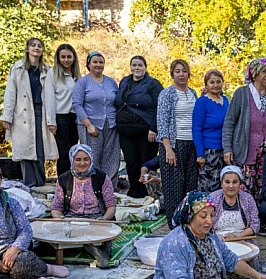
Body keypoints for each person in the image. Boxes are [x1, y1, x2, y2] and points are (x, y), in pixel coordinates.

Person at [222, 57, 266, 205]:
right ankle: (244, 219)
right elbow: (229, 122)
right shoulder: (242, 94)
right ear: (255, 73)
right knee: (244, 188)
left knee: (264, 188)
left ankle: (258, 220)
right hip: (245, 151)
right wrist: (227, 148)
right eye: (264, 71)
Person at [1, 37, 59, 187]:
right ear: (27, 49)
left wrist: (51, 120)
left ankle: (40, 184)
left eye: (39, 46)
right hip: (22, 113)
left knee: (40, 151)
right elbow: (10, 93)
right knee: (25, 152)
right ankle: (29, 185)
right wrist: (7, 115)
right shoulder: (18, 68)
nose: (36, 48)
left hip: (40, 111)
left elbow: (51, 96)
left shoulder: (47, 70)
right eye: (33, 45)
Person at [51, 144, 117, 268]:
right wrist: (59, 217)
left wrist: (103, 219)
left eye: (86, 159)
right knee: (53, 232)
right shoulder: (64, 179)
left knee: (105, 233)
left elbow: (111, 207)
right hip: (72, 219)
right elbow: (56, 208)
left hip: (96, 219)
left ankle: (100, 252)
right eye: (78, 159)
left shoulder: (101, 177)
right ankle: (88, 245)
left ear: (91, 159)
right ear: (72, 160)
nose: (82, 163)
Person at [115, 55, 164, 198]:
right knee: (131, 162)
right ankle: (134, 192)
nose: (137, 68)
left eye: (140, 65)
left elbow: (159, 107)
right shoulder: (124, 82)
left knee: (145, 162)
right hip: (125, 131)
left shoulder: (153, 84)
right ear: (130, 67)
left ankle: (148, 193)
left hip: (146, 131)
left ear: (145, 67)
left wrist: (154, 128)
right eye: (134, 65)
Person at [158, 59, 199, 227]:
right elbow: (162, 122)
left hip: (192, 144)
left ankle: (187, 221)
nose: (181, 74)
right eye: (177, 71)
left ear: (188, 73)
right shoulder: (167, 94)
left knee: (190, 185)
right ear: (172, 74)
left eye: (184, 71)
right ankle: (174, 224)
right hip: (174, 144)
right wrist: (168, 149)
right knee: (174, 187)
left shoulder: (193, 93)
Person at [72, 51, 121, 183]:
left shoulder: (111, 82)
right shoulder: (83, 82)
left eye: (101, 62)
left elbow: (117, 101)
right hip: (91, 124)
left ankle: (108, 185)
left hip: (110, 124)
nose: (98, 65)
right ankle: (92, 184)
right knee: (92, 156)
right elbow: (77, 105)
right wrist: (88, 125)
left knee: (111, 156)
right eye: (95, 62)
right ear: (89, 64)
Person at [44, 43, 80, 177]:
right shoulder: (52, 74)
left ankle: (74, 180)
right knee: (64, 154)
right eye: (63, 57)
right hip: (61, 117)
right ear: (58, 58)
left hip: (75, 118)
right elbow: (49, 98)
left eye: (69, 57)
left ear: (74, 58)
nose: (66, 60)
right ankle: (63, 183)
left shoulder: (77, 76)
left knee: (74, 152)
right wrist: (51, 121)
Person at [193, 70, 229, 192]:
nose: (215, 85)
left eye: (218, 81)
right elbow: (196, 129)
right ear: (206, 84)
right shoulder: (202, 102)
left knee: (222, 186)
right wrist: (200, 154)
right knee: (209, 187)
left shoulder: (226, 101)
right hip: (209, 152)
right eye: (212, 82)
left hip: (224, 151)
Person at [209, 166, 259, 240]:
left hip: (243, 239)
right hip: (217, 240)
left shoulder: (248, 199)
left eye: (235, 182)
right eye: (227, 182)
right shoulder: (212, 198)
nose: (231, 186)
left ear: (240, 184)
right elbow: (204, 223)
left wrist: (239, 235)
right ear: (221, 183)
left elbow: (255, 225)